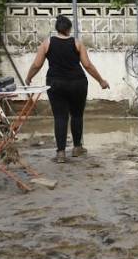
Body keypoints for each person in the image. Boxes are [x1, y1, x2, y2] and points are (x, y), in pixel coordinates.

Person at [26, 15, 109, 163]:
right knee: (77, 115)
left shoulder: (47, 43)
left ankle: (61, 153)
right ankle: (77, 148)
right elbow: (87, 65)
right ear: (69, 29)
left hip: (56, 84)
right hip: (77, 83)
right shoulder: (77, 43)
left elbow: (37, 64)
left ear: (57, 28)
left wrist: (29, 77)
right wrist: (101, 80)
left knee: (60, 117)